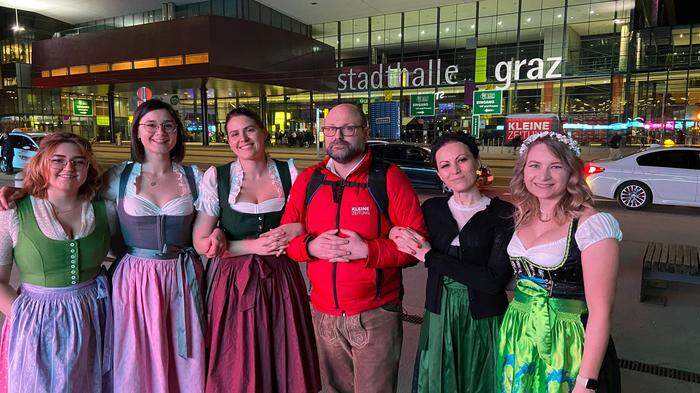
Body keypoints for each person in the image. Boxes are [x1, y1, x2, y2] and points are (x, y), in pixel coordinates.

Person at [279, 103, 427, 393]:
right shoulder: (309, 180)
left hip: (376, 316)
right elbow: (288, 241)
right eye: (331, 129)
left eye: (348, 128)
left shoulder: (387, 177)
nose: (338, 136)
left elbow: (416, 246)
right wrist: (311, 247)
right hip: (324, 314)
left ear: (365, 132)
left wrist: (368, 251)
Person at [192, 107, 321, 393]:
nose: (243, 138)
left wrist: (296, 230)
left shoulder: (289, 173)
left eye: (249, 129)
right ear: (228, 140)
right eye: (234, 133)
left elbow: (311, 223)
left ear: (263, 132)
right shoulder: (218, 177)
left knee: (283, 351)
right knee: (237, 359)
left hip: (281, 277)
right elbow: (201, 242)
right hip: (232, 282)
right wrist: (249, 245)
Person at [389, 132, 515, 393]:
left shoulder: (503, 214)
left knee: (482, 381)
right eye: (445, 165)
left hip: (485, 319)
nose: (455, 170)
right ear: (438, 173)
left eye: (462, 160)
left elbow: (493, 282)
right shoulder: (432, 209)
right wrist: (393, 233)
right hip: (439, 313)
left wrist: (430, 257)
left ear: (477, 162)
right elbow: (404, 250)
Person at [497, 132, 622, 393]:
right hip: (519, 335)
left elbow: (601, 313)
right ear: (523, 170)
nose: (543, 176)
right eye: (535, 165)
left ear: (572, 173)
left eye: (555, 167)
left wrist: (586, 382)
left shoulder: (592, 224)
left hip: (567, 340)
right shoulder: (524, 215)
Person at [102, 99, 206, 392]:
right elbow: (69, 194)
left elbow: (214, 222)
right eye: (151, 125)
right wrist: (21, 192)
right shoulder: (119, 176)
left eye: (168, 125)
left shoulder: (195, 177)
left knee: (184, 353)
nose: (160, 132)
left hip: (182, 278)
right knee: (137, 354)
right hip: (134, 281)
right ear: (137, 131)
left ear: (177, 132)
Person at [0, 132, 115, 392]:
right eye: (58, 160)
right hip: (35, 322)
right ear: (42, 164)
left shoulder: (104, 210)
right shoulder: (14, 211)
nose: (69, 168)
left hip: (93, 317)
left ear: (88, 168)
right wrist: (22, 316)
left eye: (78, 161)